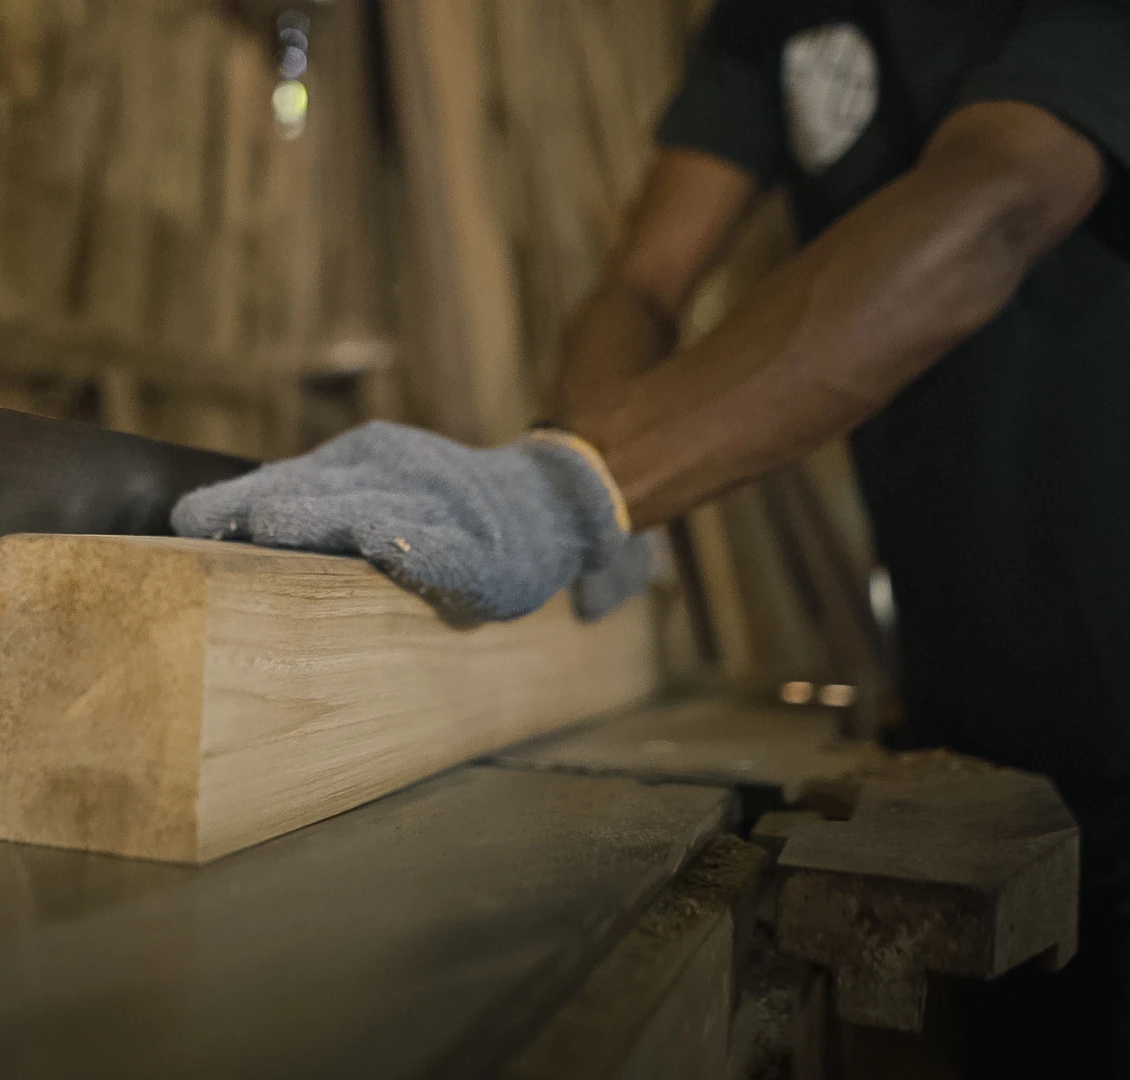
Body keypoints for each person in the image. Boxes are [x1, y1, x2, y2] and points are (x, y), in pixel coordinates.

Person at [172, 1, 1130, 1073]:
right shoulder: (767, 21)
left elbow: (999, 198)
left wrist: (581, 487)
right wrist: (584, 464)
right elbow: (644, 277)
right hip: (978, 689)